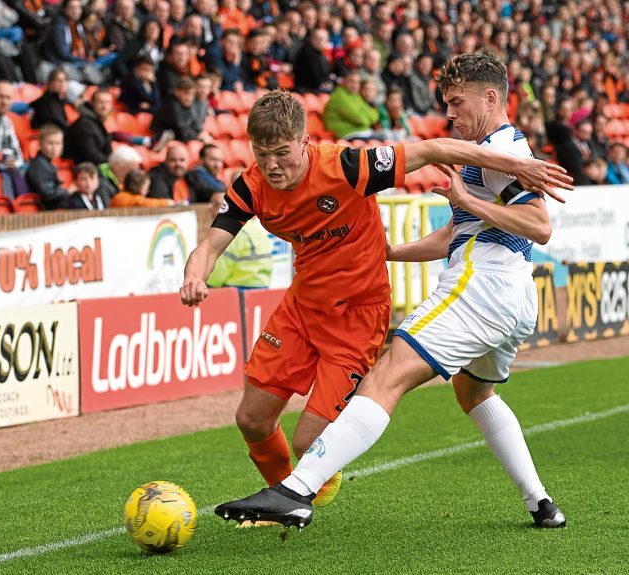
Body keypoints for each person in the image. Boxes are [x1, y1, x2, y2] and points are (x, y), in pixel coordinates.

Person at [213, 52, 570, 530]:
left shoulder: (503, 152)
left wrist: (465, 200)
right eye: (446, 102)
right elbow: (456, 234)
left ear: (491, 97)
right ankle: (540, 502)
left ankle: (296, 491)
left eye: (456, 102)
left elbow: (538, 226)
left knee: (388, 373)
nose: (449, 112)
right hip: (513, 297)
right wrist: (389, 252)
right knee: (473, 391)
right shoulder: (496, 152)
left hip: (482, 286)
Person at [25, 123, 71, 209]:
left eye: (58, 143)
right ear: (40, 144)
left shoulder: (47, 163)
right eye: (50, 143)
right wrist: (67, 191)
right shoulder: (39, 165)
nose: (54, 148)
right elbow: (47, 194)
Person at [148, 144, 214, 202]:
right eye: (173, 160)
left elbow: (207, 193)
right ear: (166, 162)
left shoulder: (192, 177)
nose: (178, 164)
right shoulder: (157, 176)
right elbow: (161, 199)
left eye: (182, 160)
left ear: (188, 161)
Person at [64, 88, 113, 165]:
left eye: (108, 102)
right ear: (92, 103)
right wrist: (111, 162)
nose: (105, 106)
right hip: (85, 169)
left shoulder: (97, 121)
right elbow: (91, 155)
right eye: (101, 102)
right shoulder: (84, 124)